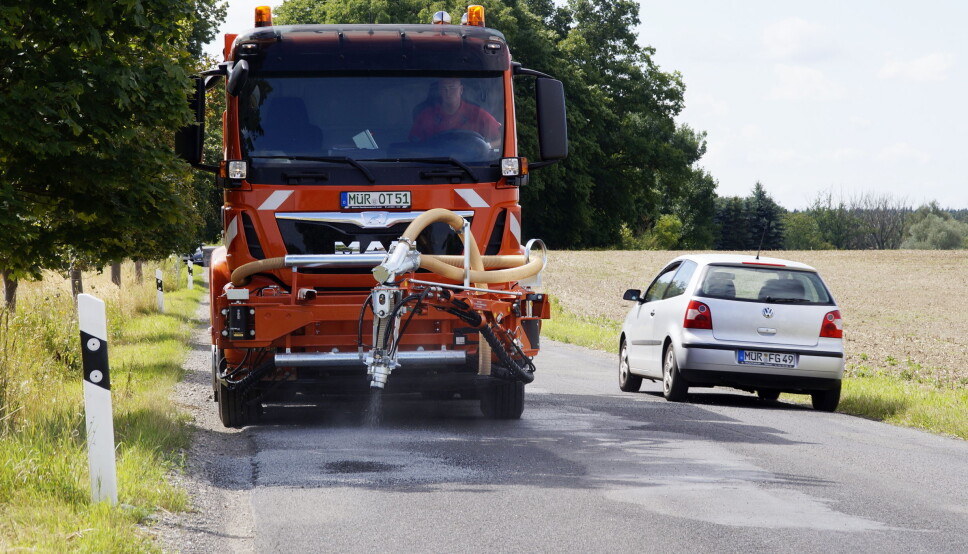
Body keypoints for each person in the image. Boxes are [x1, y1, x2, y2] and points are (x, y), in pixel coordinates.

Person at [408, 78, 502, 143]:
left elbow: (499, 139)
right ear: (439, 91)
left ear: (461, 90)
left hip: (472, 165)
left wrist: (485, 148)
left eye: (452, 88)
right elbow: (414, 143)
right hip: (433, 166)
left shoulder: (477, 114)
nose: (448, 93)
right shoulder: (426, 116)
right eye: (444, 88)